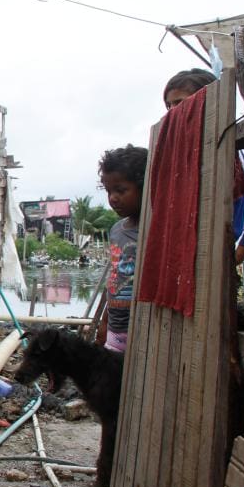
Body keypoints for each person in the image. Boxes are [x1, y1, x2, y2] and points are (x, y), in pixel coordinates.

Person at [162, 69, 244, 265]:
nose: (173, 111)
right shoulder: (178, 156)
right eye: (170, 105)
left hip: (216, 259)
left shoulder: (231, 149)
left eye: (181, 102)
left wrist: (238, 255)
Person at [94, 145, 148, 353]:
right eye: (108, 191)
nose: (113, 198)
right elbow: (116, 280)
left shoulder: (153, 228)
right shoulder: (117, 230)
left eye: (121, 190)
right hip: (116, 327)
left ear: (144, 186)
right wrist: (105, 323)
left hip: (142, 326)